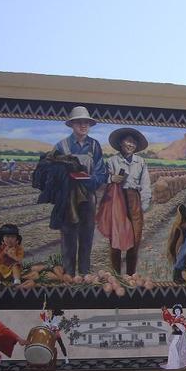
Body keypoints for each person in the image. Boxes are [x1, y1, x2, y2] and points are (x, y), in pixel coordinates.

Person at [51, 106, 108, 276]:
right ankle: (69, 275)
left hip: (88, 197)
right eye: (79, 122)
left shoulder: (94, 145)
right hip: (68, 197)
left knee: (86, 235)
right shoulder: (61, 146)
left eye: (86, 123)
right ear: (72, 125)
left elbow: (101, 171)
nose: (83, 125)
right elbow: (52, 174)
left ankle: (84, 274)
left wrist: (90, 180)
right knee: (68, 236)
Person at [100, 128, 151, 275]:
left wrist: (143, 205)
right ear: (121, 143)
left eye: (134, 142)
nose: (131, 144)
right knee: (115, 240)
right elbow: (102, 182)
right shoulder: (111, 161)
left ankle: (130, 276)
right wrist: (111, 179)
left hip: (134, 199)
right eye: (128, 141)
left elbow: (146, 184)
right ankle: (116, 276)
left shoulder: (141, 162)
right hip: (116, 200)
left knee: (134, 241)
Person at [160, 305, 186, 369]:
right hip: (175, 334)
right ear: (174, 311)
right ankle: (173, 363)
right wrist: (165, 310)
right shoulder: (173, 318)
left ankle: (180, 362)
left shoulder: (182, 318)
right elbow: (168, 317)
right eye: (176, 310)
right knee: (173, 347)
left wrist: (178, 327)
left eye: (179, 310)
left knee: (178, 348)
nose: (177, 311)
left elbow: (185, 326)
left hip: (180, 334)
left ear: (181, 311)